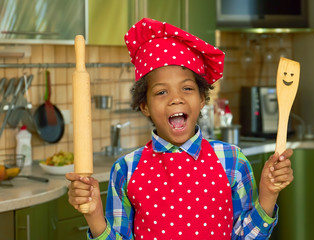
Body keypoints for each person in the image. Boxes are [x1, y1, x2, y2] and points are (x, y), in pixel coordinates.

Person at [66, 18, 294, 240]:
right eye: (161, 92)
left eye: (186, 88)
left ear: (203, 98)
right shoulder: (126, 170)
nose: (176, 99)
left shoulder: (232, 161)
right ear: (144, 106)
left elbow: (246, 237)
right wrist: (94, 216)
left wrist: (268, 194)